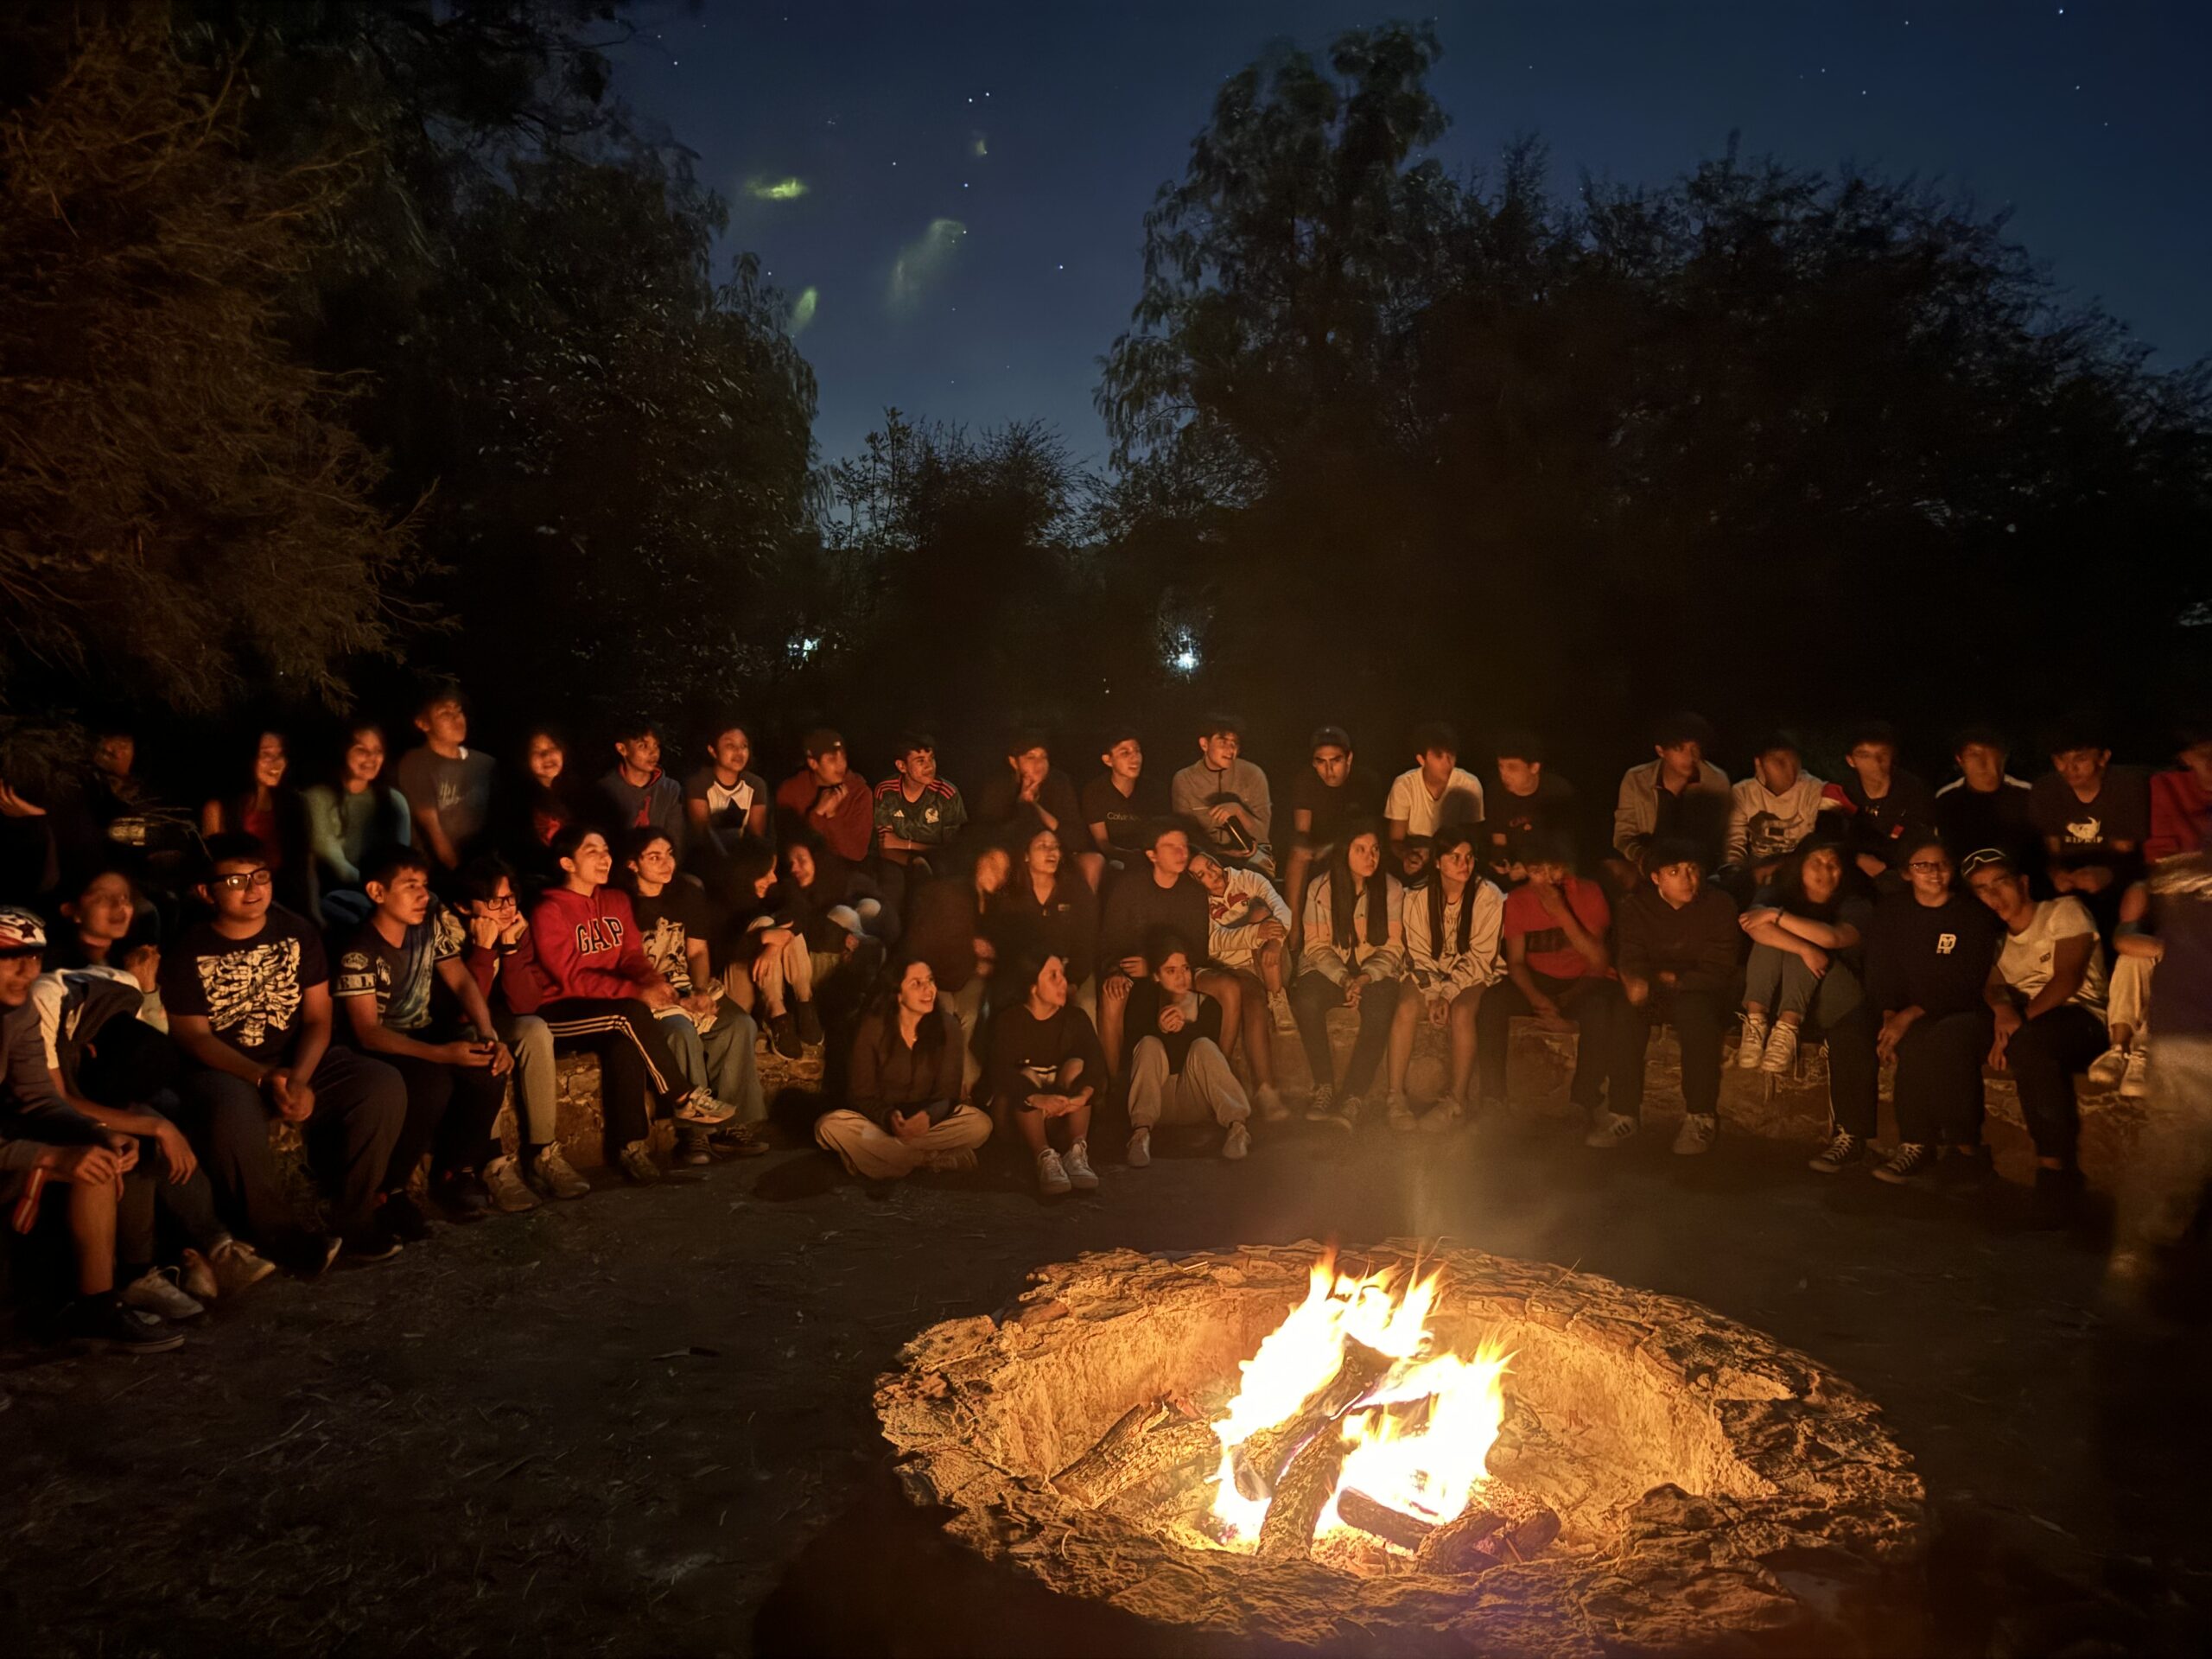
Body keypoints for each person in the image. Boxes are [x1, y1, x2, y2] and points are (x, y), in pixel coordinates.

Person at [160, 835, 407, 1268]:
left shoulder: (296, 931)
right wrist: (260, 1077)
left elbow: (318, 1018)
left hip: (295, 1058)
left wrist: (298, 1078)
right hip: (227, 1067)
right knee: (230, 1111)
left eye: (260, 876)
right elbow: (193, 1036)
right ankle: (277, 1233)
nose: (253, 889)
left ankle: (354, 1215)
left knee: (380, 1083)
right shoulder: (189, 948)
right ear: (205, 891)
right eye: (236, 880)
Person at [1, 908, 185, 1352]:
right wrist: (46, 1157)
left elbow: (40, 1098)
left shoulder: (18, 1008)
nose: (28, 971)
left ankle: (95, 1305)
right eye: (11, 958)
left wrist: (97, 1130)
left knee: (93, 1154)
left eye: (35, 958)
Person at [530, 824, 735, 1184]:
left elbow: (632, 956)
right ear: (567, 862)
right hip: (561, 1009)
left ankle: (630, 1147)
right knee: (631, 1012)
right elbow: (570, 978)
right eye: (591, 851)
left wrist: (655, 982)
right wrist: (634, 992)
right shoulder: (550, 910)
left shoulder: (615, 901)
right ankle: (684, 1096)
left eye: (606, 849)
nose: (604, 857)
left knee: (624, 1045)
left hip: (608, 1010)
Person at [334, 847, 517, 1228]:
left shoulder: (427, 928)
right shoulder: (359, 951)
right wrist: (441, 1054)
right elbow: (367, 1032)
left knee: (489, 1068)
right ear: (376, 892)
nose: (423, 895)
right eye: (410, 886)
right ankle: (391, 1189)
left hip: (424, 1033)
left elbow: (461, 979)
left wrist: (488, 1034)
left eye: (425, 885)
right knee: (430, 1083)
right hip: (384, 1046)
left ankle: (456, 1171)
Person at [1966, 847, 2110, 1225]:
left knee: (2031, 1044)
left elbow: (2068, 978)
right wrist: (2003, 1013)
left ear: (2023, 883)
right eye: (1982, 890)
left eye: (2000, 883)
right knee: (1956, 1034)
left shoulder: (2063, 911)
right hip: (2030, 1024)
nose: (1994, 896)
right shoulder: (1997, 942)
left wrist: (2019, 1024)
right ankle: (1962, 1152)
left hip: (2084, 1017)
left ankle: (2055, 1171)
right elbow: (1992, 987)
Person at [444, 855, 591, 1201]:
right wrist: (482, 950)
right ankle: (494, 1163)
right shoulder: (449, 935)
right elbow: (463, 1013)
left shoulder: (515, 929)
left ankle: (542, 1153)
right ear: (465, 907)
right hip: (458, 1025)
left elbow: (525, 1005)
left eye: (510, 898)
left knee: (535, 1029)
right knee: (484, 1041)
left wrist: (509, 948)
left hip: (501, 1018)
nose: (507, 908)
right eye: (494, 901)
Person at [2106, 830, 2212, 1304]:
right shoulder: (2180, 865)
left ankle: (2139, 1257)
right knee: (2177, 1149)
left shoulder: (2178, 863)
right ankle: (2144, 1258)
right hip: (2192, 1027)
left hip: (2179, 1025)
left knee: (2174, 1149)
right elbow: (2127, 933)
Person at [1732, 844, 1883, 1173]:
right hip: (1793, 992)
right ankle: (1756, 1022)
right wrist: (1800, 945)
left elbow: (1831, 938)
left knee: (1799, 939)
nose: (1825, 871)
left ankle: (1786, 1026)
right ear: (1800, 866)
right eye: (1817, 862)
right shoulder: (1777, 891)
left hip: (1838, 998)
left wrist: (1777, 917)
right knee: (1779, 941)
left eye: (1834, 864)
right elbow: (1751, 925)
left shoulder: (1856, 904)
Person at [621, 831, 767, 1164]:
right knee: (681, 1030)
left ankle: (732, 1126)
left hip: (684, 983)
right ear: (633, 864)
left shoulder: (685, 894)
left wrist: (700, 991)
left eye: (669, 853)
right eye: (654, 857)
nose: (666, 863)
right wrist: (671, 1000)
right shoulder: (622, 903)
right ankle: (695, 1132)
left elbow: (698, 951)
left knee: (739, 1024)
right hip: (647, 993)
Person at [1865, 833, 2002, 1188]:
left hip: (1961, 1008)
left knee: (1936, 1040)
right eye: (1923, 865)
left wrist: (1909, 1015)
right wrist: (1888, 1014)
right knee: (1904, 1040)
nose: (1934, 873)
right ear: (1907, 873)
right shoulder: (1893, 911)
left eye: (1941, 864)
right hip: (1907, 1010)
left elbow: (1968, 978)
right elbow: (1882, 967)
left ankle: (1964, 1148)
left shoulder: (1970, 914)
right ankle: (1914, 1143)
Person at [1477, 835, 1632, 1127]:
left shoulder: (1589, 893)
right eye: (1537, 871)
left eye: (1554, 869)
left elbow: (1598, 963)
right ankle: (1493, 1097)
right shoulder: (1519, 901)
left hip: (1584, 980)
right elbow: (1517, 962)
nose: (1547, 878)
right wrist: (1538, 1000)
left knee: (1599, 1011)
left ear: (1566, 866)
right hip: (1539, 981)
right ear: (1526, 870)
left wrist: (1561, 912)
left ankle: (1583, 1100)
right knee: (1492, 1002)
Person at [1614, 842, 1741, 1154]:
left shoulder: (1719, 904)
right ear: (1657, 878)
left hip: (1702, 991)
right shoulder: (1636, 907)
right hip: (1658, 989)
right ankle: (1622, 1111)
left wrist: (1675, 980)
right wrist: (1636, 980)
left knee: (1696, 1015)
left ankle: (1700, 1116)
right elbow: (1630, 955)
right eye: (1675, 872)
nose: (1688, 879)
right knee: (1623, 1013)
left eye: (1693, 870)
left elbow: (1720, 966)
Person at [814, 961, 992, 1181]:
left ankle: (880, 1159)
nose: (929, 990)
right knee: (829, 1126)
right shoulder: (873, 1028)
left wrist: (927, 1117)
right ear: (897, 995)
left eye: (930, 980)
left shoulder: (947, 1026)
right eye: (917, 984)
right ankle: (928, 1159)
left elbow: (948, 1093)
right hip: (880, 1125)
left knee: (980, 1124)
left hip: (928, 1125)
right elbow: (860, 1094)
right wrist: (890, 1119)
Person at [1384, 828, 1504, 1131]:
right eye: (1454, 857)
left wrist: (1448, 994)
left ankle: (1456, 1101)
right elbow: (1420, 954)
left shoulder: (1488, 896)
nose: (1464, 864)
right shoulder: (1418, 897)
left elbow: (1480, 956)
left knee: (1463, 1012)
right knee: (1407, 1007)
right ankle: (1395, 1097)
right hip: (1430, 970)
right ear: (1438, 863)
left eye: (1468, 857)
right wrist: (1433, 992)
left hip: (1471, 973)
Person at [1293, 824, 1403, 1130]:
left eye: (1375, 849)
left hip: (1374, 972)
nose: (1371, 857)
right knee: (1307, 999)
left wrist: (1364, 978)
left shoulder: (1391, 888)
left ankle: (1354, 1095)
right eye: (1361, 849)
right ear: (1345, 853)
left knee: (1380, 1010)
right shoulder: (1321, 888)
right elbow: (1315, 947)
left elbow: (1393, 947)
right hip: (1332, 969)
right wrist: (1343, 979)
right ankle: (1324, 1085)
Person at [1122, 931, 1251, 1166]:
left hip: (1194, 1098)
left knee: (1203, 1045)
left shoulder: (1208, 1005)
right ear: (1156, 976)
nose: (1181, 977)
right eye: (1171, 971)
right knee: (1149, 1043)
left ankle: (1237, 1127)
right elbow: (1135, 1051)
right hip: (1155, 1101)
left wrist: (1185, 1028)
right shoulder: (1144, 1000)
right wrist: (1158, 1028)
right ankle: (1140, 1134)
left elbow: (1210, 1057)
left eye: (1185, 968)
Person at [984, 953, 1103, 1196]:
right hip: (1019, 1120)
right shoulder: (1010, 1020)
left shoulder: (1075, 1018)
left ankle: (1075, 1152)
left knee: (1077, 1066)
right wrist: (1036, 1098)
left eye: (1062, 974)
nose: (1063, 982)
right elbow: (999, 1071)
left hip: (1062, 1116)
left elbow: (1096, 1064)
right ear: (1033, 987)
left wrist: (1083, 1095)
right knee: (1024, 1073)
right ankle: (1044, 1156)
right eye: (1053, 976)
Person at [1185, 847, 1291, 1119]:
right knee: (1254, 1005)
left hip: (1272, 958)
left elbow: (1282, 910)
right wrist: (1255, 932)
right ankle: (1265, 1091)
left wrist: (1275, 940)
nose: (1211, 874)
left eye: (1209, 865)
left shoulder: (1248, 879)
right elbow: (1212, 942)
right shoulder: (1198, 904)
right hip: (1234, 967)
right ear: (1195, 882)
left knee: (1259, 910)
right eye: (1201, 875)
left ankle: (1277, 994)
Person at [900, 842, 1012, 1096]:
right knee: (947, 1016)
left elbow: (999, 951)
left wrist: (987, 958)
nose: (997, 874)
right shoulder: (952, 894)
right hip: (937, 974)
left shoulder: (996, 907)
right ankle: (962, 1091)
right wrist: (973, 956)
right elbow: (931, 946)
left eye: (1003, 870)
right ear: (978, 861)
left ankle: (962, 1090)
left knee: (970, 1015)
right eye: (992, 864)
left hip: (968, 978)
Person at [2030, 719, 2149, 913]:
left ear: (2103, 757)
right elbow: (2049, 852)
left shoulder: (2126, 786)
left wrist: (2108, 874)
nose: (2070, 768)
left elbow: (2128, 852)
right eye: (2061, 760)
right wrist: (2056, 874)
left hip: (2117, 878)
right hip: (2066, 883)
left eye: (2081, 759)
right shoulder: (2046, 790)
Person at [200, 728, 316, 920]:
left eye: (280, 755)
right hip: (239, 904)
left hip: (287, 900)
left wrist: (313, 914)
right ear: (248, 759)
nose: (276, 763)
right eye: (266, 755)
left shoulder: (294, 805)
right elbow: (214, 873)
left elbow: (306, 865)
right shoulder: (219, 809)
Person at [1611, 713, 1731, 883]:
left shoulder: (1715, 781)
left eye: (1695, 749)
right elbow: (1623, 835)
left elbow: (1714, 840)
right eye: (1679, 749)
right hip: (1647, 866)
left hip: (1694, 869)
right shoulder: (1637, 779)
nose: (1690, 757)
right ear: (1661, 751)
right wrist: (1643, 857)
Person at [998, 824, 1100, 1021]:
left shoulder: (1075, 890)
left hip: (1069, 973)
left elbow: (1086, 941)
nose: (1051, 852)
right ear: (1026, 855)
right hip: (1025, 978)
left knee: (1085, 1004)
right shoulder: (1012, 895)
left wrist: (1072, 982)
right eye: (1042, 846)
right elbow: (1007, 945)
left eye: (1055, 846)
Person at [1285, 725, 1378, 939]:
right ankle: (1293, 930)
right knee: (1297, 853)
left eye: (1335, 761)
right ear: (1313, 762)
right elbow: (1302, 830)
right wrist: (1307, 847)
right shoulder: (1306, 781)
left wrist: (1329, 848)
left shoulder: (1366, 782)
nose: (1328, 770)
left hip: (1354, 847)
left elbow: (1366, 833)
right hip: (1320, 848)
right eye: (1321, 762)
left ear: (1349, 758)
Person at [302, 721, 411, 902]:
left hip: (385, 894)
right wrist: (373, 888)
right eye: (361, 750)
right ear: (342, 752)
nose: (371, 758)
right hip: (336, 893)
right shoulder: (317, 798)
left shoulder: (393, 800)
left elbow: (401, 856)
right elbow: (330, 856)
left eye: (378, 751)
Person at [397, 690, 499, 873]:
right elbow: (433, 831)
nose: (456, 719)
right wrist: (461, 874)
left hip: (484, 864)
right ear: (423, 723)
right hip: (440, 871)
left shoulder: (485, 764)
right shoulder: (416, 764)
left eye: (458, 711)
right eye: (445, 713)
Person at [1720, 734, 1832, 896]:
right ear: (1759, 763)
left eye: (1793, 760)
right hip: (1756, 869)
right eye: (1779, 761)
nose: (1789, 768)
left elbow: (1816, 843)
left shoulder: (1815, 790)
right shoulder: (1744, 792)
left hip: (1800, 870)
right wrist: (1735, 870)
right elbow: (1734, 840)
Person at [1821, 721, 1935, 881]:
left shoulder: (1913, 790)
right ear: (1851, 760)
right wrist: (1856, 858)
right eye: (1864, 755)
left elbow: (1921, 841)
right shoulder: (1839, 791)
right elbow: (1825, 841)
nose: (1876, 762)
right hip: (1850, 870)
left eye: (1883, 753)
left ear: (1892, 755)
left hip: (1899, 873)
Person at [872, 731, 969, 905]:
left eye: (931, 758)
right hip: (898, 861)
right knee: (891, 885)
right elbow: (885, 846)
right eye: (920, 761)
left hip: (938, 863)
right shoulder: (886, 791)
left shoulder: (946, 794)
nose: (929, 766)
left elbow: (951, 850)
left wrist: (907, 845)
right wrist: (914, 859)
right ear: (902, 766)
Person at [1170, 715, 1274, 875]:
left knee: (1259, 867)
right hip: (1205, 853)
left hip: (1251, 853)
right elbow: (1185, 834)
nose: (1230, 749)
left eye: (1235, 744)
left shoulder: (1252, 774)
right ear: (1204, 744)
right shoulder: (1185, 780)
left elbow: (1262, 835)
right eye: (1223, 742)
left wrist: (1239, 811)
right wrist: (1220, 852)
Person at [1933, 725, 2038, 874]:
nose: (1981, 762)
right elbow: (1944, 851)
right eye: (1973, 754)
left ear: (2003, 757)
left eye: (1990, 753)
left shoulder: (2027, 794)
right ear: (1960, 760)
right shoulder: (1947, 798)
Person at [1384, 722, 1484, 871]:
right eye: (1439, 756)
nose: (1447, 763)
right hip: (1417, 853)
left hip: (1454, 856)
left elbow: (1472, 838)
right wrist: (1408, 856)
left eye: (1451, 755)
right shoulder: (1404, 785)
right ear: (1421, 759)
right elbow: (1396, 840)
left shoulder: (1469, 784)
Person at [1481, 729, 1575, 885]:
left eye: (1512, 768)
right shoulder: (1496, 792)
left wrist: (1531, 867)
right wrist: (1501, 860)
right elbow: (1498, 837)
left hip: (1550, 864)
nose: (1504, 774)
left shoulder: (1557, 792)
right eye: (1501, 766)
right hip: (1516, 868)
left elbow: (1564, 847)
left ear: (1534, 767)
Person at [976, 731, 1088, 857]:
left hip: (1056, 855)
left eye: (1043, 757)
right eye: (1031, 757)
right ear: (1014, 762)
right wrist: (1022, 805)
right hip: (1015, 856)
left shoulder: (1059, 783)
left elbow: (1078, 840)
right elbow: (990, 837)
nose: (1039, 763)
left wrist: (1036, 807)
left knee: (1093, 860)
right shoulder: (998, 787)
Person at [774, 728, 874, 866]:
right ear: (813, 763)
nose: (841, 765)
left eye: (843, 757)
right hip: (802, 868)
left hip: (846, 868)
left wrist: (831, 816)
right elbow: (791, 847)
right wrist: (817, 813)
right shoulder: (791, 790)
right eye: (832, 759)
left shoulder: (859, 793)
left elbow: (857, 853)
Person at [502, 727, 590, 881]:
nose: (547, 755)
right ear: (525, 759)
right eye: (537, 751)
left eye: (553, 748)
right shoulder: (515, 802)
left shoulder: (586, 795)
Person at [1080, 727, 1160, 884]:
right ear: (1108, 760)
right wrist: (1129, 855)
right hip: (1113, 858)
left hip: (1148, 856)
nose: (1135, 758)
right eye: (1125, 753)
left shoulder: (1153, 790)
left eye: (1137, 751)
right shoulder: (1095, 791)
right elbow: (1102, 842)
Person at [684, 719, 772, 859]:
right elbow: (702, 831)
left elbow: (757, 835)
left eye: (744, 746)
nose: (739, 752)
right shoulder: (699, 782)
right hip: (707, 858)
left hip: (742, 857)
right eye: (730, 746)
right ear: (713, 751)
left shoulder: (755, 784)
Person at [597, 718, 684, 852]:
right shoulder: (605, 790)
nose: (653, 753)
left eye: (656, 745)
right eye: (643, 746)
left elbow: (675, 839)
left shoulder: (670, 789)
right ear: (622, 749)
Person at [2144, 720, 2212, 864]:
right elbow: (2161, 850)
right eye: (2203, 755)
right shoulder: (2167, 786)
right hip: (2190, 874)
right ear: (2186, 758)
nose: (2210, 762)